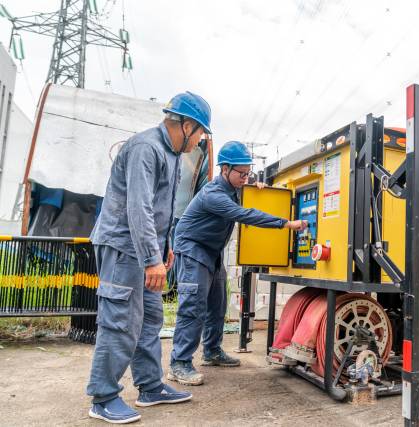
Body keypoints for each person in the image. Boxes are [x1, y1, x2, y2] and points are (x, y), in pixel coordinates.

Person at [87, 92, 212, 424]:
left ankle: (150, 387)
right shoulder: (146, 147)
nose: (199, 140)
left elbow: (162, 208)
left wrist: (164, 245)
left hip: (145, 249)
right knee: (120, 320)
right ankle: (103, 397)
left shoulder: (171, 154)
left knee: (150, 319)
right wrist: (151, 259)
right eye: (200, 133)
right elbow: (138, 208)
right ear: (186, 125)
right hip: (123, 247)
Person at [168, 141, 307, 385]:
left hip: (212, 252)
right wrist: (285, 223)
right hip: (192, 250)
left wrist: (257, 186)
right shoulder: (213, 194)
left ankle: (212, 351)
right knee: (193, 307)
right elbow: (245, 214)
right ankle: (179, 363)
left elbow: (246, 197)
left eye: (248, 173)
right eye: (242, 173)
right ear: (225, 169)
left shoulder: (234, 188)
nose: (246, 178)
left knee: (217, 305)